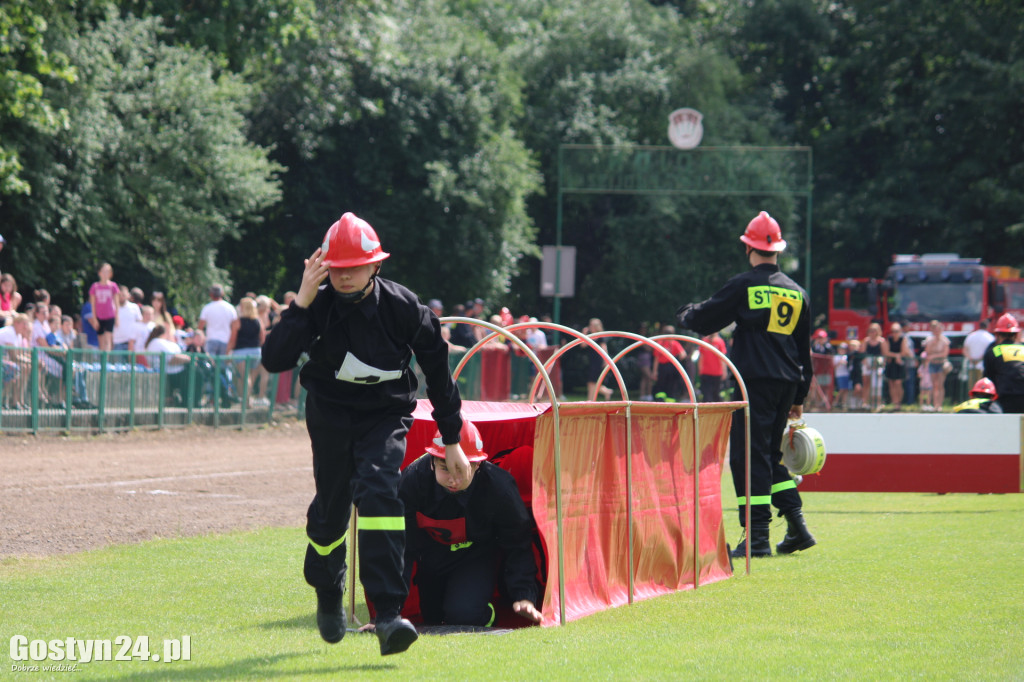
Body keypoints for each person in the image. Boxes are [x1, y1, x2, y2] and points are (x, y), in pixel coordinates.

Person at [260, 212, 470, 656]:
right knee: (330, 513)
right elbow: (274, 360)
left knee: (380, 492)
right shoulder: (314, 305)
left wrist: (452, 440)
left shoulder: (405, 308)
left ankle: (388, 614)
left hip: (385, 416)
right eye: (336, 268)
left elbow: (438, 371)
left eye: (355, 267)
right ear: (324, 268)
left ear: (376, 266)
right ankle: (327, 589)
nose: (346, 275)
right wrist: (300, 300)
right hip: (330, 417)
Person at [676, 210, 814, 558]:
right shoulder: (797, 293)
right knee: (769, 455)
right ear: (777, 249)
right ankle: (796, 526)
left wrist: (685, 313)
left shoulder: (745, 285)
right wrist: (800, 395)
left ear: (748, 248)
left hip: (753, 381)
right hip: (786, 383)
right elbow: (804, 350)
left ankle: (757, 538)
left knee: (746, 456)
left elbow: (708, 316)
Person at [399, 419, 542, 627]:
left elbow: (517, 541)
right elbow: (399, 547)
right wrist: (388, 612)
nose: (454, 479)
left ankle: (489, 610)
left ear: (478, 465)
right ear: (431, 462)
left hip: (475, 558)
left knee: (465, 616)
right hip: (430, 559)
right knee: (432, 620)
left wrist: (524, 594)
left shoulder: (499, 488)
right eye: (445, 468)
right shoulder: (412, 482)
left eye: (462, 469)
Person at [226, 296, 266, 403]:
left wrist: (227, 353)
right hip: (256, 352)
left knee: (244, 378)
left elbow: (232, 341)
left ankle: (246, 401)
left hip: (241, 352)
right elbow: (263, 339)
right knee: (250, 379)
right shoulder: (258, 321)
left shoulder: (237, 322)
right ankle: (246, 399)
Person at [983, 313, 1024, 414]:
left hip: (1006, 398)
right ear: (1016, 334)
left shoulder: (994, 351)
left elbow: (989, 379)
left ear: (998, 335)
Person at [0, 313, 32, 408]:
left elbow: (18, 355)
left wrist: (30, 361)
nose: (26, 327)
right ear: (16, 323)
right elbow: (14, 356)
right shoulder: (9, 332)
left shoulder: (17, 335)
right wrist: (32, 361)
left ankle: (17, 400)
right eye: (24, 324)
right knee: (14, 369)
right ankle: (4, 400)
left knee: (25, 367)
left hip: (4, 360)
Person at [198, 284, 237, 357]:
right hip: (226, 340)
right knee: (222, 365)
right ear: (222, 294)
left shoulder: (207, 308)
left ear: (211, 294)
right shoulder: (230, 308)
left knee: (210, 364)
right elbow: (234, 327)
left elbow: (200, 327)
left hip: (211, 339)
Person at [88, 263, 119, 352]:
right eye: (103, 271)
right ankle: (102, 360)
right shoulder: (95, 286)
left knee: (108, 339)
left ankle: (107, 360)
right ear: (99, 273)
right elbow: (93, 304)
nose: (105, 274)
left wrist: (117, 318)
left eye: (107, 272)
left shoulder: (113, 286)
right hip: (99, 316)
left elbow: (116, 303)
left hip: (110, 315)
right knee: (101, 339)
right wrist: (94, 318)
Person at [882, 322, 912, 410]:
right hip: (891, 364)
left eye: (897, 331)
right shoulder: (889, 339)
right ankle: (895, 403)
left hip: (900, 364)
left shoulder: (903, 339)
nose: (895, 333)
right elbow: (886, 352)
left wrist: (894, 355)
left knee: (898, 383)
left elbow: (904, 352)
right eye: (893, 331)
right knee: (891, 384)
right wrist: (897, 355)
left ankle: (899, 402)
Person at [923, 320, 951, 410]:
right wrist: (933, 344)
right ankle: (934, 404)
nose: (937, 331)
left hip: (941, 365)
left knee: (940, 385)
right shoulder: (930, 340)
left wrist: (934, 355)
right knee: (934, 385)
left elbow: (944, 354)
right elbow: (927, 352)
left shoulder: (945, 340)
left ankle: (939, 405)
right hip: (932, 364)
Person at [584, 318, 613, 400]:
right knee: (592, 383)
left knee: (592, 382)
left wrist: (606, 361)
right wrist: (584, 334)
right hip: (592, 361)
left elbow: (604, 349)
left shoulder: (600, 337)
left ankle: (590, 400)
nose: (590, 327)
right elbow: (583, 345)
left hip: (598, 361)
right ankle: (605, 392)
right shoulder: (589, 336)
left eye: (591, 325)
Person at [963, 320, 995, 389]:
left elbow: (965, 350)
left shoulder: (971, 336)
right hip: (983, 366)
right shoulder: (990, 337)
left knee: (972, 387)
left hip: (971, 365)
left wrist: (971, 359)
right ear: (987, 326)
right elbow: (990, 352)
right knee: (982, 387)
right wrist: (980, 359)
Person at [698, 331, 728, 402]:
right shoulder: (704, 342)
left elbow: (722, 358)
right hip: (706, 373)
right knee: (706, 394)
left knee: (715, 394)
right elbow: (701, 357)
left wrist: (724, 371)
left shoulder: (719, 342)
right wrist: (700, 370)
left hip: (717, 373)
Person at [112, 285, 142, 352]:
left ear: (128, 295)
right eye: (119, 295)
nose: (121, 297)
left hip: (132, 343)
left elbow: (139, 323)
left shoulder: (134, 307)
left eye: (123, 295)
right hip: (117, 343)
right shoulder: (112, 308)